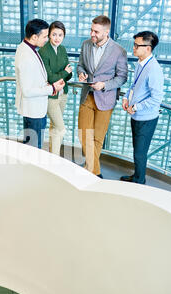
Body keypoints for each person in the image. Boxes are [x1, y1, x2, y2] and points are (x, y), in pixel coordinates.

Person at [77, 15, 128, 178]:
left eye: (96, 31)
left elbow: (122, 77)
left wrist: (104, 85)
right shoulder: (86, 45)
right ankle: (96, 172)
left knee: (98, 138)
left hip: (106, 98)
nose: (92, 34)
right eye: (91, 30)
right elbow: (80, 65)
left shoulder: (119, 51)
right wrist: (82, 73)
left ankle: (89, 169)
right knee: (84, 134)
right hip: (87, 96)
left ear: (106, 32)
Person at [120, 31, 164, 184]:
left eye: (137, 45)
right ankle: (137, 176)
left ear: (148, 48)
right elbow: (134, 85)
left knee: (140, 153)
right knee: (137, 151)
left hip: (146, 118)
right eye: (134, 44)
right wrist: (126, 97)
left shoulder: (154, 69)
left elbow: (156, 98)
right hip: (136, 115)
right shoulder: (140, 64)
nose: (134, 48)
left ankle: (139, 182)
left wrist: (136, 107)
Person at [15, 19, 65, 149]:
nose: (47, 39)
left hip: (36, 109)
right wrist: (52, 88)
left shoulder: (30, 49)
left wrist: (47, 84)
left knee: (33, 147)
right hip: (34, 111)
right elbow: (27, 91)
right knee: (33, 149)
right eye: (44, 36)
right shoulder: (26, 57)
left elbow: (34, 78)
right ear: (34, 37)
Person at [38, 21, 73, 156]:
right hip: (51, 96)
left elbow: (70, 74)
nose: (57, 38)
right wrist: (64, 73)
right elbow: (50, 78)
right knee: (60, 127)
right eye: (54, 34)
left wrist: (65, 74)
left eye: (60, 35)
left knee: (54, 127)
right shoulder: (43, 51)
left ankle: (54, 158)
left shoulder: (63, 49)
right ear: (49, 35)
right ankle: (55, 157)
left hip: (63, 93)